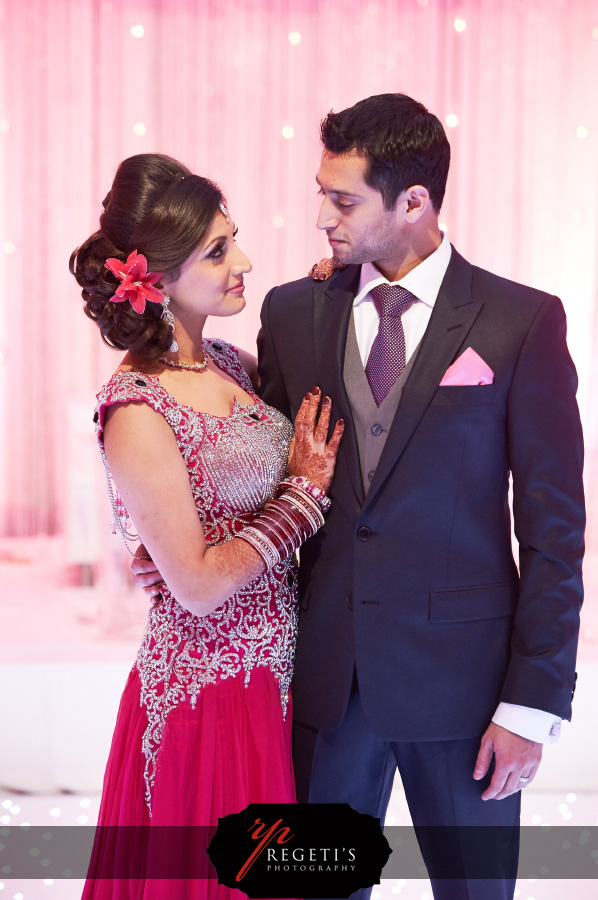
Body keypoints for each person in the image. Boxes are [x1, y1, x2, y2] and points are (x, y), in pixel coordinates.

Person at [133, 95, 585, 900]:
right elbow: (261, 464)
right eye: (321, 191)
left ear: (414, 202)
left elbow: (555, 534)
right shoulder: (295, 309)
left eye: (342, 200)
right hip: (323, 686)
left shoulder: (522, 322)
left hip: (469, 695)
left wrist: (531, 705)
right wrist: (172, 543)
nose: (319, 217)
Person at [69, 152, 343, 898]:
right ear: (151, 278)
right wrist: (301, 502)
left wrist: (330, 293)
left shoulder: (227, 362)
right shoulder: (136, 408)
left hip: (278, 681)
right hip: (211, 701)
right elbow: (193, 586)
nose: (242, 262)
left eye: (234, 239)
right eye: (218, 251)